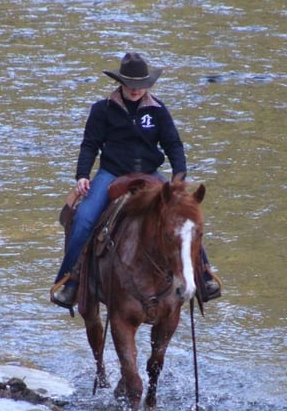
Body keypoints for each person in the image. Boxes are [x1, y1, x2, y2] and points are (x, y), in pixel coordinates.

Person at [51, 51, 220, 308]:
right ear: (121, 83)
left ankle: (204, 274)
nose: (135, 90)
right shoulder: (102, 110)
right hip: (112, 173)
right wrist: (83, 175)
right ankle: (70, 280)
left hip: (150, 174)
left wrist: (178, 178)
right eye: (131, 85)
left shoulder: (158, 110)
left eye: (141, 85)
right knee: (84, 218)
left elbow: (173, 145)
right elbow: (90, 145)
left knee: (186, 218)